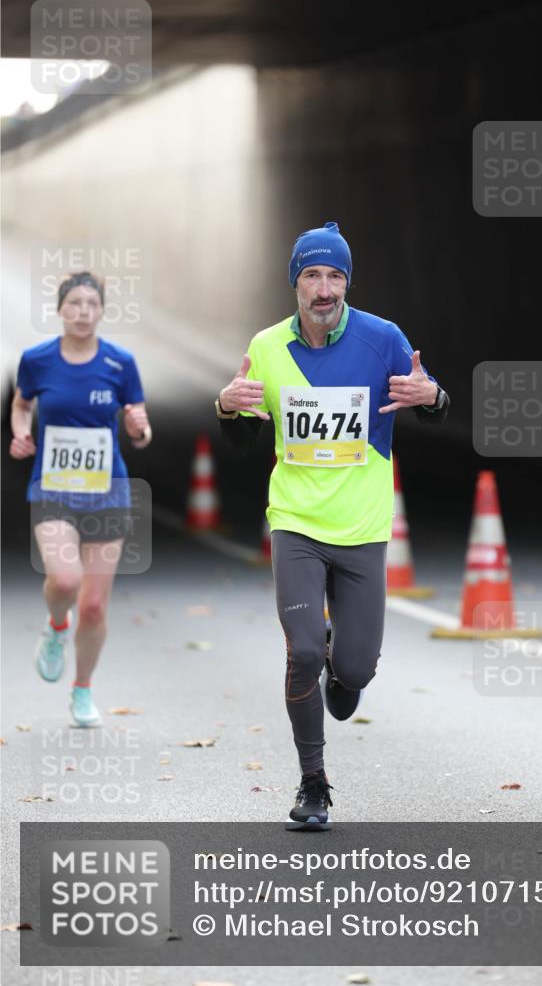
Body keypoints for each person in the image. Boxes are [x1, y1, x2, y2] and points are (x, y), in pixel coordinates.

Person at [216, 222, 448, 829]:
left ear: (347, 281)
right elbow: (241, 437)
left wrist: (434, 397)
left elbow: (428, 399)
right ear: (295, 280)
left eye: (335, 275)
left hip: (363, 527)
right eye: (313, 275)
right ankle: (313, 783)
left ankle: (343, 672)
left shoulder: (382, 338)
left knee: (354, 671)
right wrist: (227, 408)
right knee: (301, 653)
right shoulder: (267, 346)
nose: (324, 288)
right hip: (294, 522)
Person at [10, 271, 151, 727]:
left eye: (92, 304)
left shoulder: (120, 363)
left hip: (107, 491)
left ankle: (82, 690)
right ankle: (55, 628)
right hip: (52, 487)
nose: (83, 312)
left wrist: (138, 430)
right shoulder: (36, 360)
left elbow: (140, 426)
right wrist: (20, 433)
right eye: (75, 304)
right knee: (66, 581)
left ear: (102, 310)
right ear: (60, 309)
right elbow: (21, 402)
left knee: (93, 605)